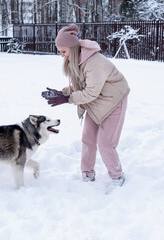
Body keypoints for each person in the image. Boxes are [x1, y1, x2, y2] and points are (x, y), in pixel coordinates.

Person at [41, 24, 130, 192]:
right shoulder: (76, 61)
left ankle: (117, 176)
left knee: (106, 144)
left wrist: (67, 99)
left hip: (113, 101)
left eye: (64, 51)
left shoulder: (94, 62)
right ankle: (87, 173)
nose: (62, 56)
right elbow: (80, 86)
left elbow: (90, 92)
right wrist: (61, 93)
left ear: (73, 49)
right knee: (88, 139)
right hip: (96, 101)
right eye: (60, 51)